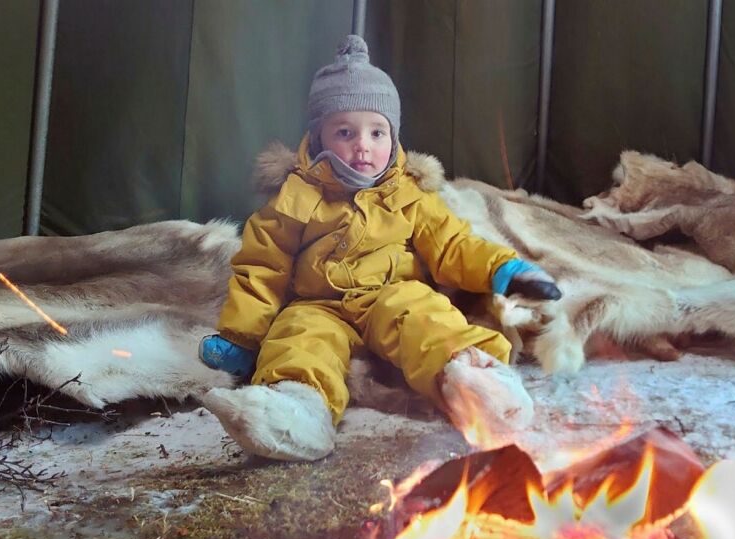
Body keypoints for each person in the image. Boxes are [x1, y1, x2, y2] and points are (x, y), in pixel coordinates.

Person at [198, 35, 560, 461]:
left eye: (377, 131)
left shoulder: (408, 193)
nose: (363, 145)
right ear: (317, 138)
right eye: (345, 132)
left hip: (391, 293)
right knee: (299, 337)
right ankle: (297, 408)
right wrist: (242, 336)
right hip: (319, 303)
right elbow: (261, 268)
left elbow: (453, 243)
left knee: (425, 319)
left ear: (394, 137)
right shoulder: (293, 199)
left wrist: (504, 269)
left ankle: (475, 383)